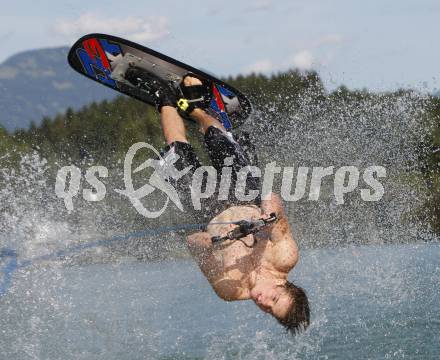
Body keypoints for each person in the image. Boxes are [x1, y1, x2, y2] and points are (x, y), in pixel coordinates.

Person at [124, 67, 310, 334]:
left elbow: (192, 243)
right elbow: (272, 201)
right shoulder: (284, 258)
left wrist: (214, 242)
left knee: (177, 151)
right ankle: (198, 109)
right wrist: (262, 224)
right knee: (216, 140)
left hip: (207, 211)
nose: (263, 303)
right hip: (244, 195)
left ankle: (163, 96)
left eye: (268, 310)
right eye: (274, 300)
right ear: (285, 287)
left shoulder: (229, 290)